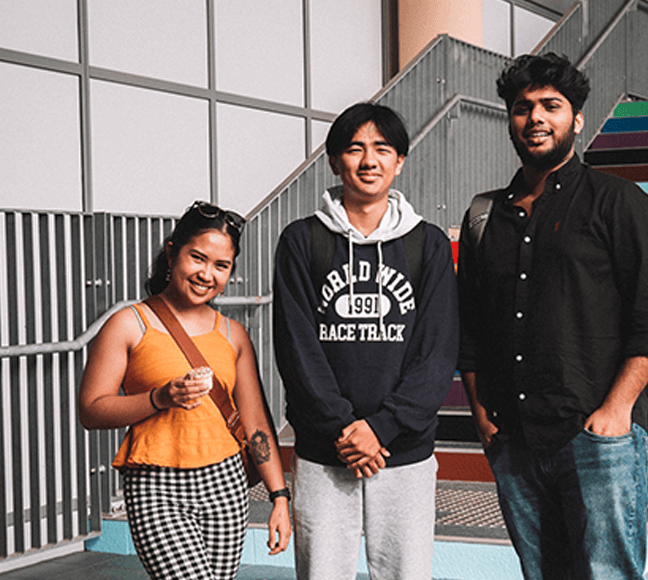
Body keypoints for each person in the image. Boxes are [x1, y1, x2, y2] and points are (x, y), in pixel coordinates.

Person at [456, 53, 648, 580]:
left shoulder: (622, 204)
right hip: (514, 437)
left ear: (576, 119)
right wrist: (482, 413)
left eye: (550, 106)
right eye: (522, 107)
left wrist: (615, 412)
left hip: (596, 437)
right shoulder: (484, 215)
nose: (535, 117)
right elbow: (471, 323)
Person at [273, 102, 459, 580]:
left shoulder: (429, 243)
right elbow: (297, 349)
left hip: (405, 450)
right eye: (354, 149)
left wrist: (383, 427)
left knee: (407, 574)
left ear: (400, 161)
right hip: (323, 447)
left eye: (382, 149)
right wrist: (343, 427)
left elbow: (436, 351)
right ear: (335, 162)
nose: (368, 160)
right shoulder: (302, 241)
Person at [78, 201, 291, 580]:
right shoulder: (129, 324)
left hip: (226, 482)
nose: (207, 274)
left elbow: (256, 423)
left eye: (221, 266)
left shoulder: (233, 334)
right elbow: (91, 411)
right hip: (155, 483)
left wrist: (279, 497)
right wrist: (160, 398)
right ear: (172, 251)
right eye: (198, 258)